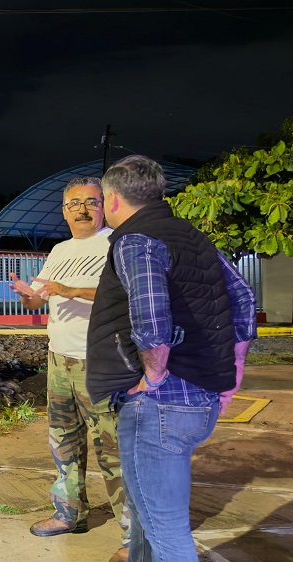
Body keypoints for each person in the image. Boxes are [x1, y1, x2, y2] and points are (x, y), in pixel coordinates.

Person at [86, 155, 257, 562]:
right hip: (200, 398)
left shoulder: (135, 239)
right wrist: (232, 374)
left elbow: (151, 317)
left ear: (111, 199)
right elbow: (244, 301)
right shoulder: (193, 236)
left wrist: (154, 375)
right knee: (146, 516)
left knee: (167, 532)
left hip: (160, 403)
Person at [9, 177, 130, 562]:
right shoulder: (60, 250)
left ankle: (133, 534)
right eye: (74, 203)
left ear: (105, 205)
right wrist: (29, 296)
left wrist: (71, 290)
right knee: (64, 442)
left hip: (101, 360)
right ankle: (69, 513)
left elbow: (124, 293)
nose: (82, 209)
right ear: (64, 211)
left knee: (113, 450)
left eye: (90, 202)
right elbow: (39, 301)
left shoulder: (118, 243)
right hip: (59, 358)